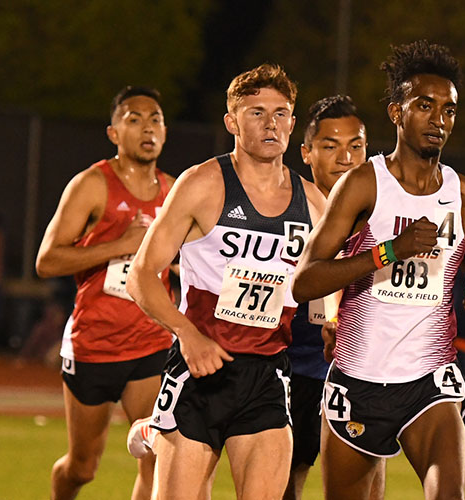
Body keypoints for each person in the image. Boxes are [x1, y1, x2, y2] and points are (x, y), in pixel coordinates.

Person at [292, 40, 465, 500]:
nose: (438, 119)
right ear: (396, 113)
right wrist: (388, 252)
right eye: (425, 106)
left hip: (430, 378)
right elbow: (305, 282)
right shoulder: (364, 185)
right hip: (359, 379)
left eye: (448, 109)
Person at [125, 64, 326, 500]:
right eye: (256, 113)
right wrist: (186, 334)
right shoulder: (202, 184)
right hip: (201, 372)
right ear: (232, 122)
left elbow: (329, 284)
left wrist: (333, 321)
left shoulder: (313, 202)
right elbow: (141, 274)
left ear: (293, 122)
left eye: (281, 112)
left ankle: (153, 428)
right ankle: (161, 425)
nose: (270, 123)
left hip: (268, 375)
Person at [35, 86, 175, 500]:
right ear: (114, 133)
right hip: (94, 344)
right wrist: (121, 244)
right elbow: (46, 261)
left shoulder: (175, 192)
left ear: (165, 132)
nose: (147, 128)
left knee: (156, 454)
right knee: (83, 467)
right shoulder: (93, 185)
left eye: (156, 119)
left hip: (150, 343)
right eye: (134, 119)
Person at [284, 94, 380, 500]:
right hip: (294, 368)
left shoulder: (382, 211)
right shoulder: (282, 205)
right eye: (330, 146)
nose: (345, 157)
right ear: (306, 152)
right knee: (285, 482)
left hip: (364, 369)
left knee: (367, 483)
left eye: (355, 146)